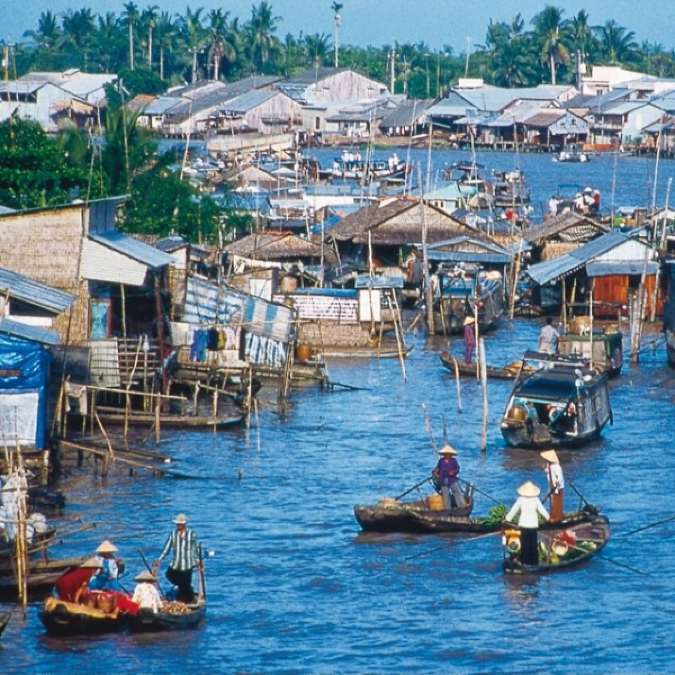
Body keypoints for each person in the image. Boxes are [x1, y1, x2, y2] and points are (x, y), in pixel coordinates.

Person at [153, 513, 201, 603]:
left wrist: (197, 559)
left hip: (187, 564)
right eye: (177, 524)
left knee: (185, 585)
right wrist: (159, 559)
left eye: (180, 524)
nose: (178, 525)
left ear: (184, 524)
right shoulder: (173, 534)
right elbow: (167, 548)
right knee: (169, 575)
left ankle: (186, 600)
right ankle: (185, 591)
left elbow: (195, 548)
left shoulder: (191, 534)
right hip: (176, 563)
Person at [505, 480, 550, 566]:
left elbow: (513, 510)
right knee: (533, 543)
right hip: (533, 525)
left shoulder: (521, 500)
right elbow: (542, 511)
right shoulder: (536, 500)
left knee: (525, 544)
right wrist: (548, 518)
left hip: (524, 525)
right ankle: (534, 562)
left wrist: (507, 519)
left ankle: (525, 562)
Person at [432, 444, 465, 509]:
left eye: (448, 454)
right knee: (446, 496)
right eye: (445, 454)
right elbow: (438, 469)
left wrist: (453, 472)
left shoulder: (454, 461)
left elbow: (457, 468)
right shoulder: (441, 461)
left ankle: (461, 506)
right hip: (443, 481)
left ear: (450, 454)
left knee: (457, 492)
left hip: (452, 480)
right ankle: (448, 509)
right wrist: (435, 471)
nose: (447, 455)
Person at [540, 449, 565, 521]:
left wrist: (558, 481)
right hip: (552, 486)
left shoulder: (557, 466)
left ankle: (556, 517)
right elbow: (549, 473)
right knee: (552, 501)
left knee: (557, 502)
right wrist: (545, 469)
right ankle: (553, 516)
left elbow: (559, 476)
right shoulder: (550, 466)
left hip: (557, 487)